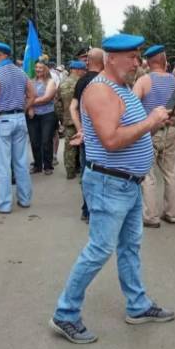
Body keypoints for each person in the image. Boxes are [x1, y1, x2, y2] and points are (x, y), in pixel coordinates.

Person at [50, 34, 173, 344]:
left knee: (130, 246)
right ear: (111, 58)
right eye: (132, 56)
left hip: (126, 183)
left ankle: (138, 305)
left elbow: (114, 132)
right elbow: (111, 140)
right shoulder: (100, 91)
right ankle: (65, 313)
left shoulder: (122, 88)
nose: (138, 62)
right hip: (109, 183)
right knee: (99, 249)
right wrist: (150, 122)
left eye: (138, 56)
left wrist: (150, 123)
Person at [134, 44, 175, 228]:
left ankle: (151, 216)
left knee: (148, 175)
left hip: (148, 132)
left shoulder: (143, 81)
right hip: (170, 131)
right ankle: (172, 213)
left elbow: (130, 108)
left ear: (148, 62)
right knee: (171, 173)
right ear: (164, 61)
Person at [0, 41, 35, 214]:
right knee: (21, 162)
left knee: (2, 165)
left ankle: (4, 204)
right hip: (19, 119)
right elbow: (33, 94)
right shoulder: (21, 72)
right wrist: (23, 109)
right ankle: (25, 199)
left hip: (1, 121)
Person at [69, 48, 104, 222]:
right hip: (104, 136)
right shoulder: (106, 80)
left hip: (87, 137)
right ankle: (97, 211)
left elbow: (72, 108)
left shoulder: (81, 81)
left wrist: (80, 128)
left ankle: (87, 209)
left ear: (88, 62)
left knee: (86, 171)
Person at [56, 60, 86, 179]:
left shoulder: (62, 84)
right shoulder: (83, 83)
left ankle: (70, 172)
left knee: (69, 147)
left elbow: (57, 104)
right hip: (82, 121)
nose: (84, 72)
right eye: (83, 70)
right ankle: (83, 172)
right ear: (78, 70)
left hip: (68, 120)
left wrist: (61, 118)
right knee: (83, 147)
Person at [27, 62, 58, 175]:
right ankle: (37, 165)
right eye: (36, 67)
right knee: (34, 141)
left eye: (40, 67)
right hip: (33, 115)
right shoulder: (31, 81)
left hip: (47, 115)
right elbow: (25, 95)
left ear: (45, 69)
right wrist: (29, 107)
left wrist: (30, 103)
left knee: (46, 141)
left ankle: (48, 166)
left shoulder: (50, 82)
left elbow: (47, 97)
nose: (38, 69)